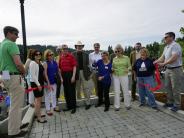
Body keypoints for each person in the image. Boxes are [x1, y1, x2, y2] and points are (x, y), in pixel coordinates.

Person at [0, 26, 27, 137]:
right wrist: (24, 72)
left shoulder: (2, 45)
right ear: (9, 33)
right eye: (16, 34)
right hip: (14, 76)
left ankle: (17, 124)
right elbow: (18, 63)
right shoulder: (11, 44)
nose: (17, 36)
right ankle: (14, 131)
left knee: (13, 102)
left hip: (5, 75)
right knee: (16, 105)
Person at [154, 32, 183, 112]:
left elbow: (174, 57)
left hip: (176, 69)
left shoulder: (175, 45)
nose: (164, 38)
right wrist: (154, 62)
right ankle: (170, 102)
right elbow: (162, 57)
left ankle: (177, 105)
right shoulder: (166, 47)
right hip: (168, 69)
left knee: (175, 88)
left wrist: (163, 64)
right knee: (167, 86)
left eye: (166, 37)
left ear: (171, 37)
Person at [72, 41, 92, 110]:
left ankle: (88, 103)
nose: (79, 47)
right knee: (77, 89)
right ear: (76, 47)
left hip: (84, 72)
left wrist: (89, 74)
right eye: (78, 46)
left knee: (86, 89)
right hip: (76, 73)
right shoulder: (72, 54)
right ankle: (78, 103)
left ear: (82, 47)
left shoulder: (86, 54)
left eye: (80, 46)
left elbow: (88, 65)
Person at [59, 44, 77, 114]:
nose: (65, 50)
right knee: (66, 92)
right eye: (63, 49)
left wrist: (73, 76)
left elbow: (74, 66)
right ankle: (68, 106)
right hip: (63, 75)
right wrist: (61, 77)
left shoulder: (71, 56)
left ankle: (74, 107)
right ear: (62, 50)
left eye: (66, 49)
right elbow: (59, 68)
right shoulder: (61, 57)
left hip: (70, 74)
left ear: (67, 49)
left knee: (71, 91)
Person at [112, 44, 131, 111]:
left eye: (118, 51)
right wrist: (112, 69)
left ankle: (127, 105)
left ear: (121, 51)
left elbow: (129, 66)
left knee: (125, 90)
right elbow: (112, 67)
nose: (117, 52)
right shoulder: (114, 59)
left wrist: (127, 69)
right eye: (116, 51)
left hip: (124, 75)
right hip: (116, 76)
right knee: (116, 91)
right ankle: (117, 106)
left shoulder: (126, 58)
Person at [29, 50, 47, 123]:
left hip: (40, 82)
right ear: (33, 55)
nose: (38, 55)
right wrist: (38, 85)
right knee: (38, 100)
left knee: (38, 100)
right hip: (36, 83)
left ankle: (38, 114)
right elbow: (33, 75)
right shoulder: (32, 63)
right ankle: (39, 117)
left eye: (40, 54)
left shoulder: (39, 62)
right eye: (36, 54)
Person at [43, 49, 61, 116]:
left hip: (54, 80)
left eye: (52, 54)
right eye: (49, 55)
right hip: (48, 81)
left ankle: (54, 106)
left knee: (54, 94)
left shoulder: (55, 62)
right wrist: (48, 83)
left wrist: (61, 78)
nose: (51, 56)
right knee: (47, 96)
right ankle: (47, 109)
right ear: (47, 56)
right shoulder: (45, 63)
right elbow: (45, 74)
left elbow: (58, 70)